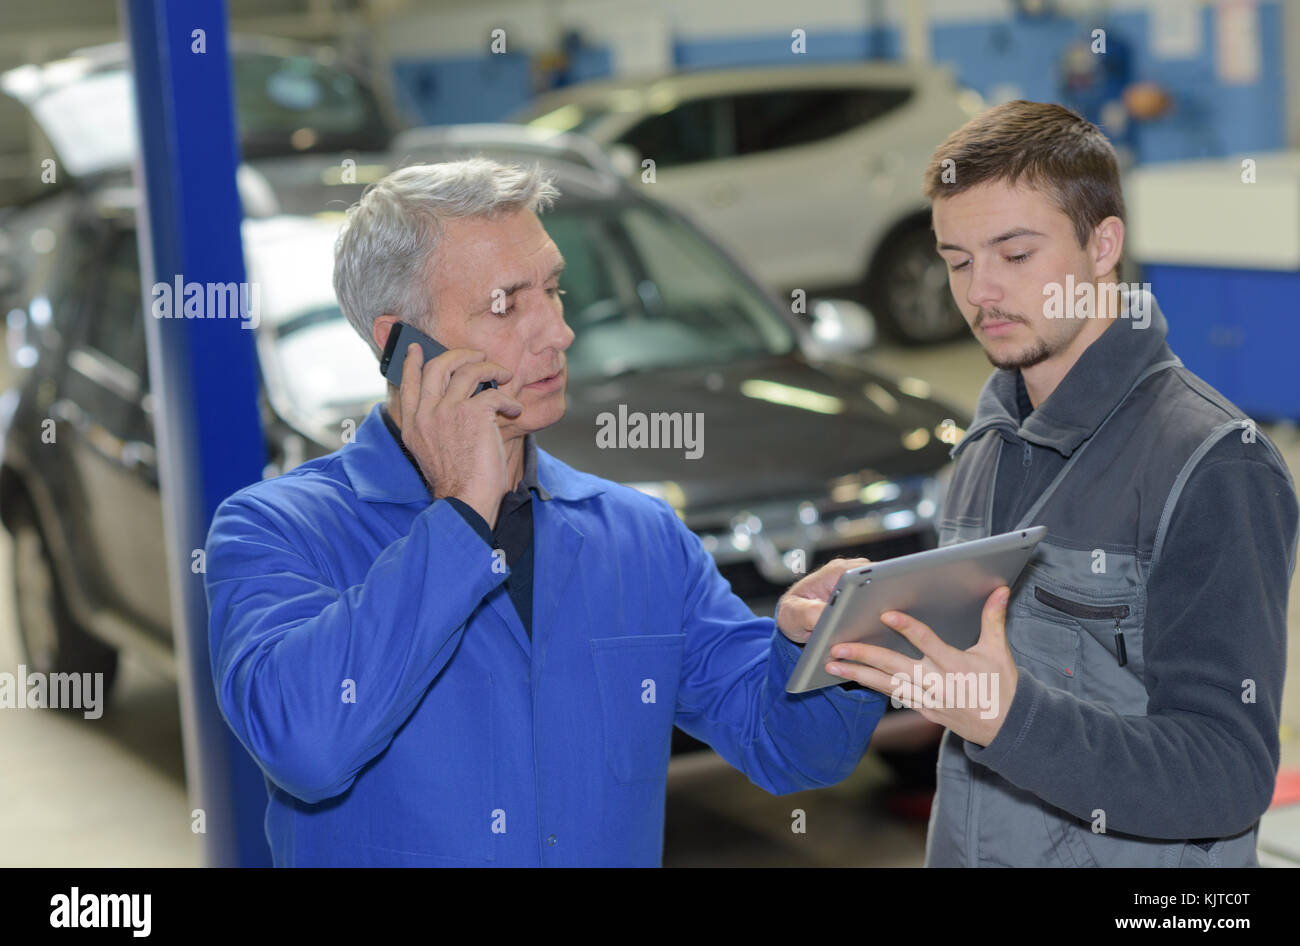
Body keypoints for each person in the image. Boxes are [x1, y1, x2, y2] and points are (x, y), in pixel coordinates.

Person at [203, 158, 888, 866]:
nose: (558, 332)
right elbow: (307, 746)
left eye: (554, 291)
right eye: (507, 303)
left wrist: (827, 649)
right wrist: (462, 514)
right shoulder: (274, 531)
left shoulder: (636, 537)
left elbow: (788, 746)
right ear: (400, 345)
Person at [827, 101, 1298, 866]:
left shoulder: (1213, 462)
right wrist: (856, 624)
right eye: (956, 260)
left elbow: (1226, 771)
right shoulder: (985, 442)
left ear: (1103, 242)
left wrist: (1010, 718)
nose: (980, 291)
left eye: (1015, 255)